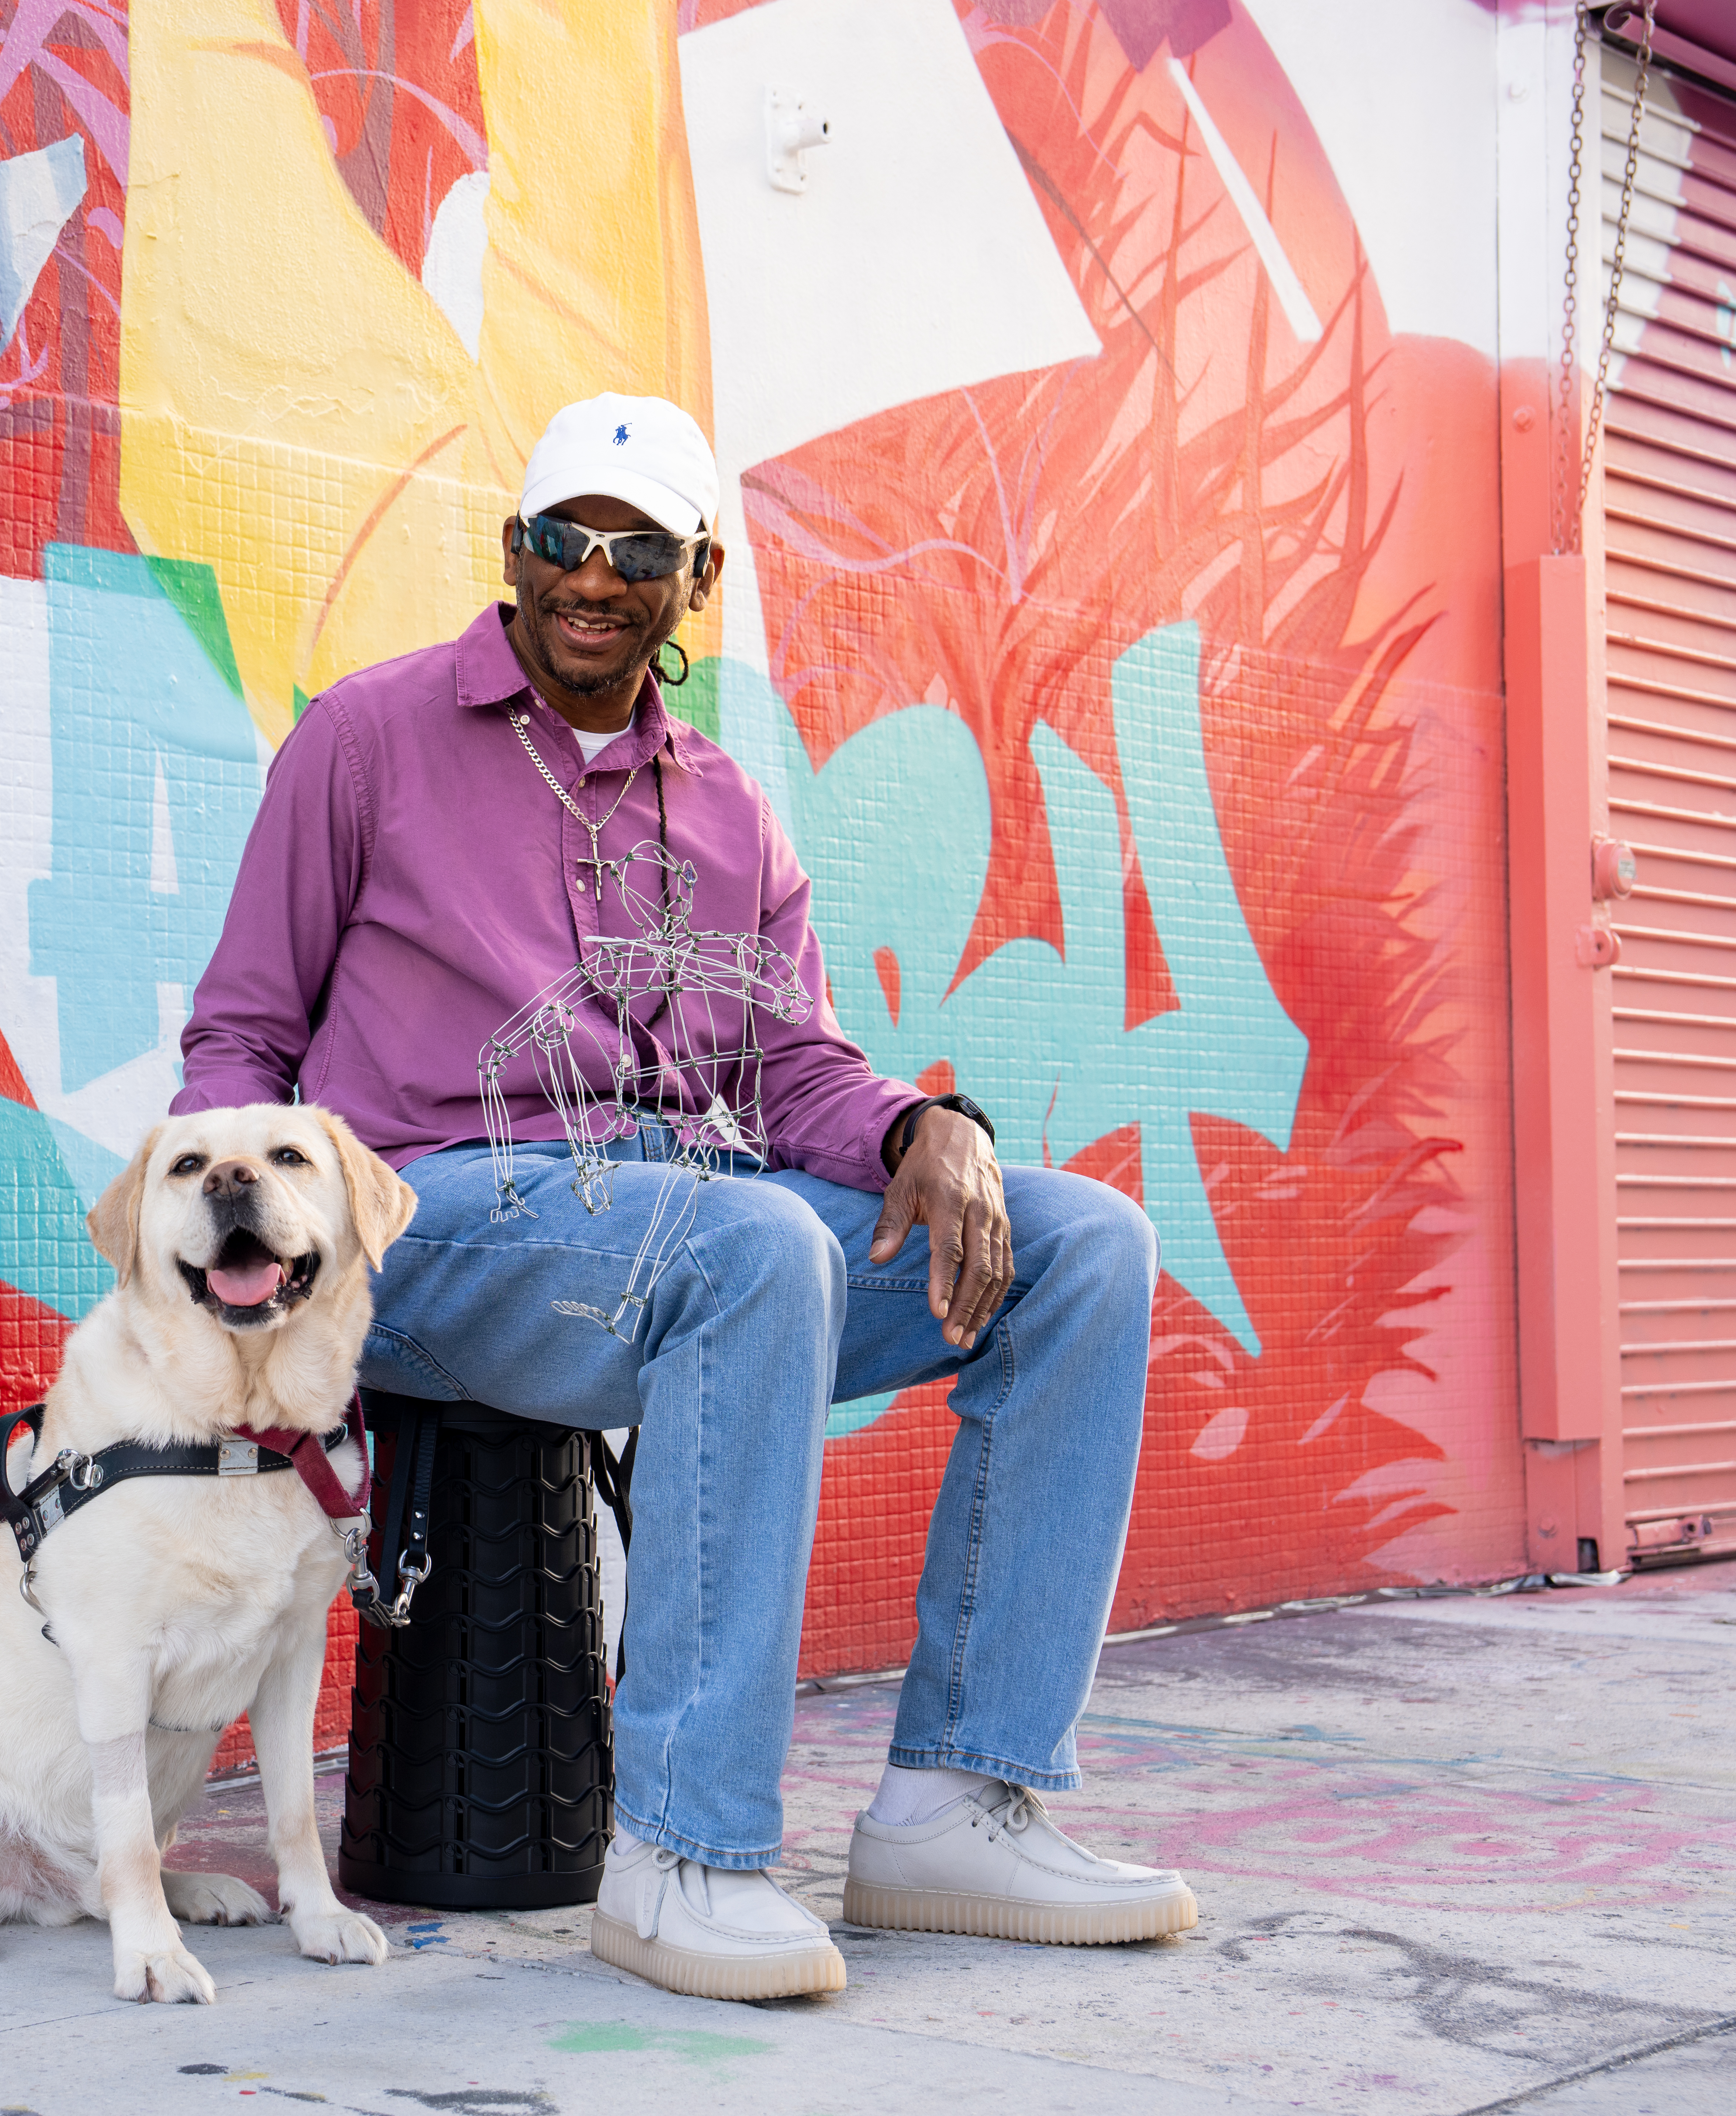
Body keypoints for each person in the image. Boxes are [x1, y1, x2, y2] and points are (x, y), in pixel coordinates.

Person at [173, 392, 1198, 2001]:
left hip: (681, 1230)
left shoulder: (728, 812)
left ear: (696, 578)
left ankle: (957, 1802)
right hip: (430, 1231)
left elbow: (797, 1073)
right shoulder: (366, 740)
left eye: (638, 549)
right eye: (563, 539)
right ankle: (681, 1852)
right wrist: (217, 1284)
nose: (595, 574)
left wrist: (931, 1130)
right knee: (752, 1240)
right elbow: (242, 1028)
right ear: (513, 558)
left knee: (1081, 1247)